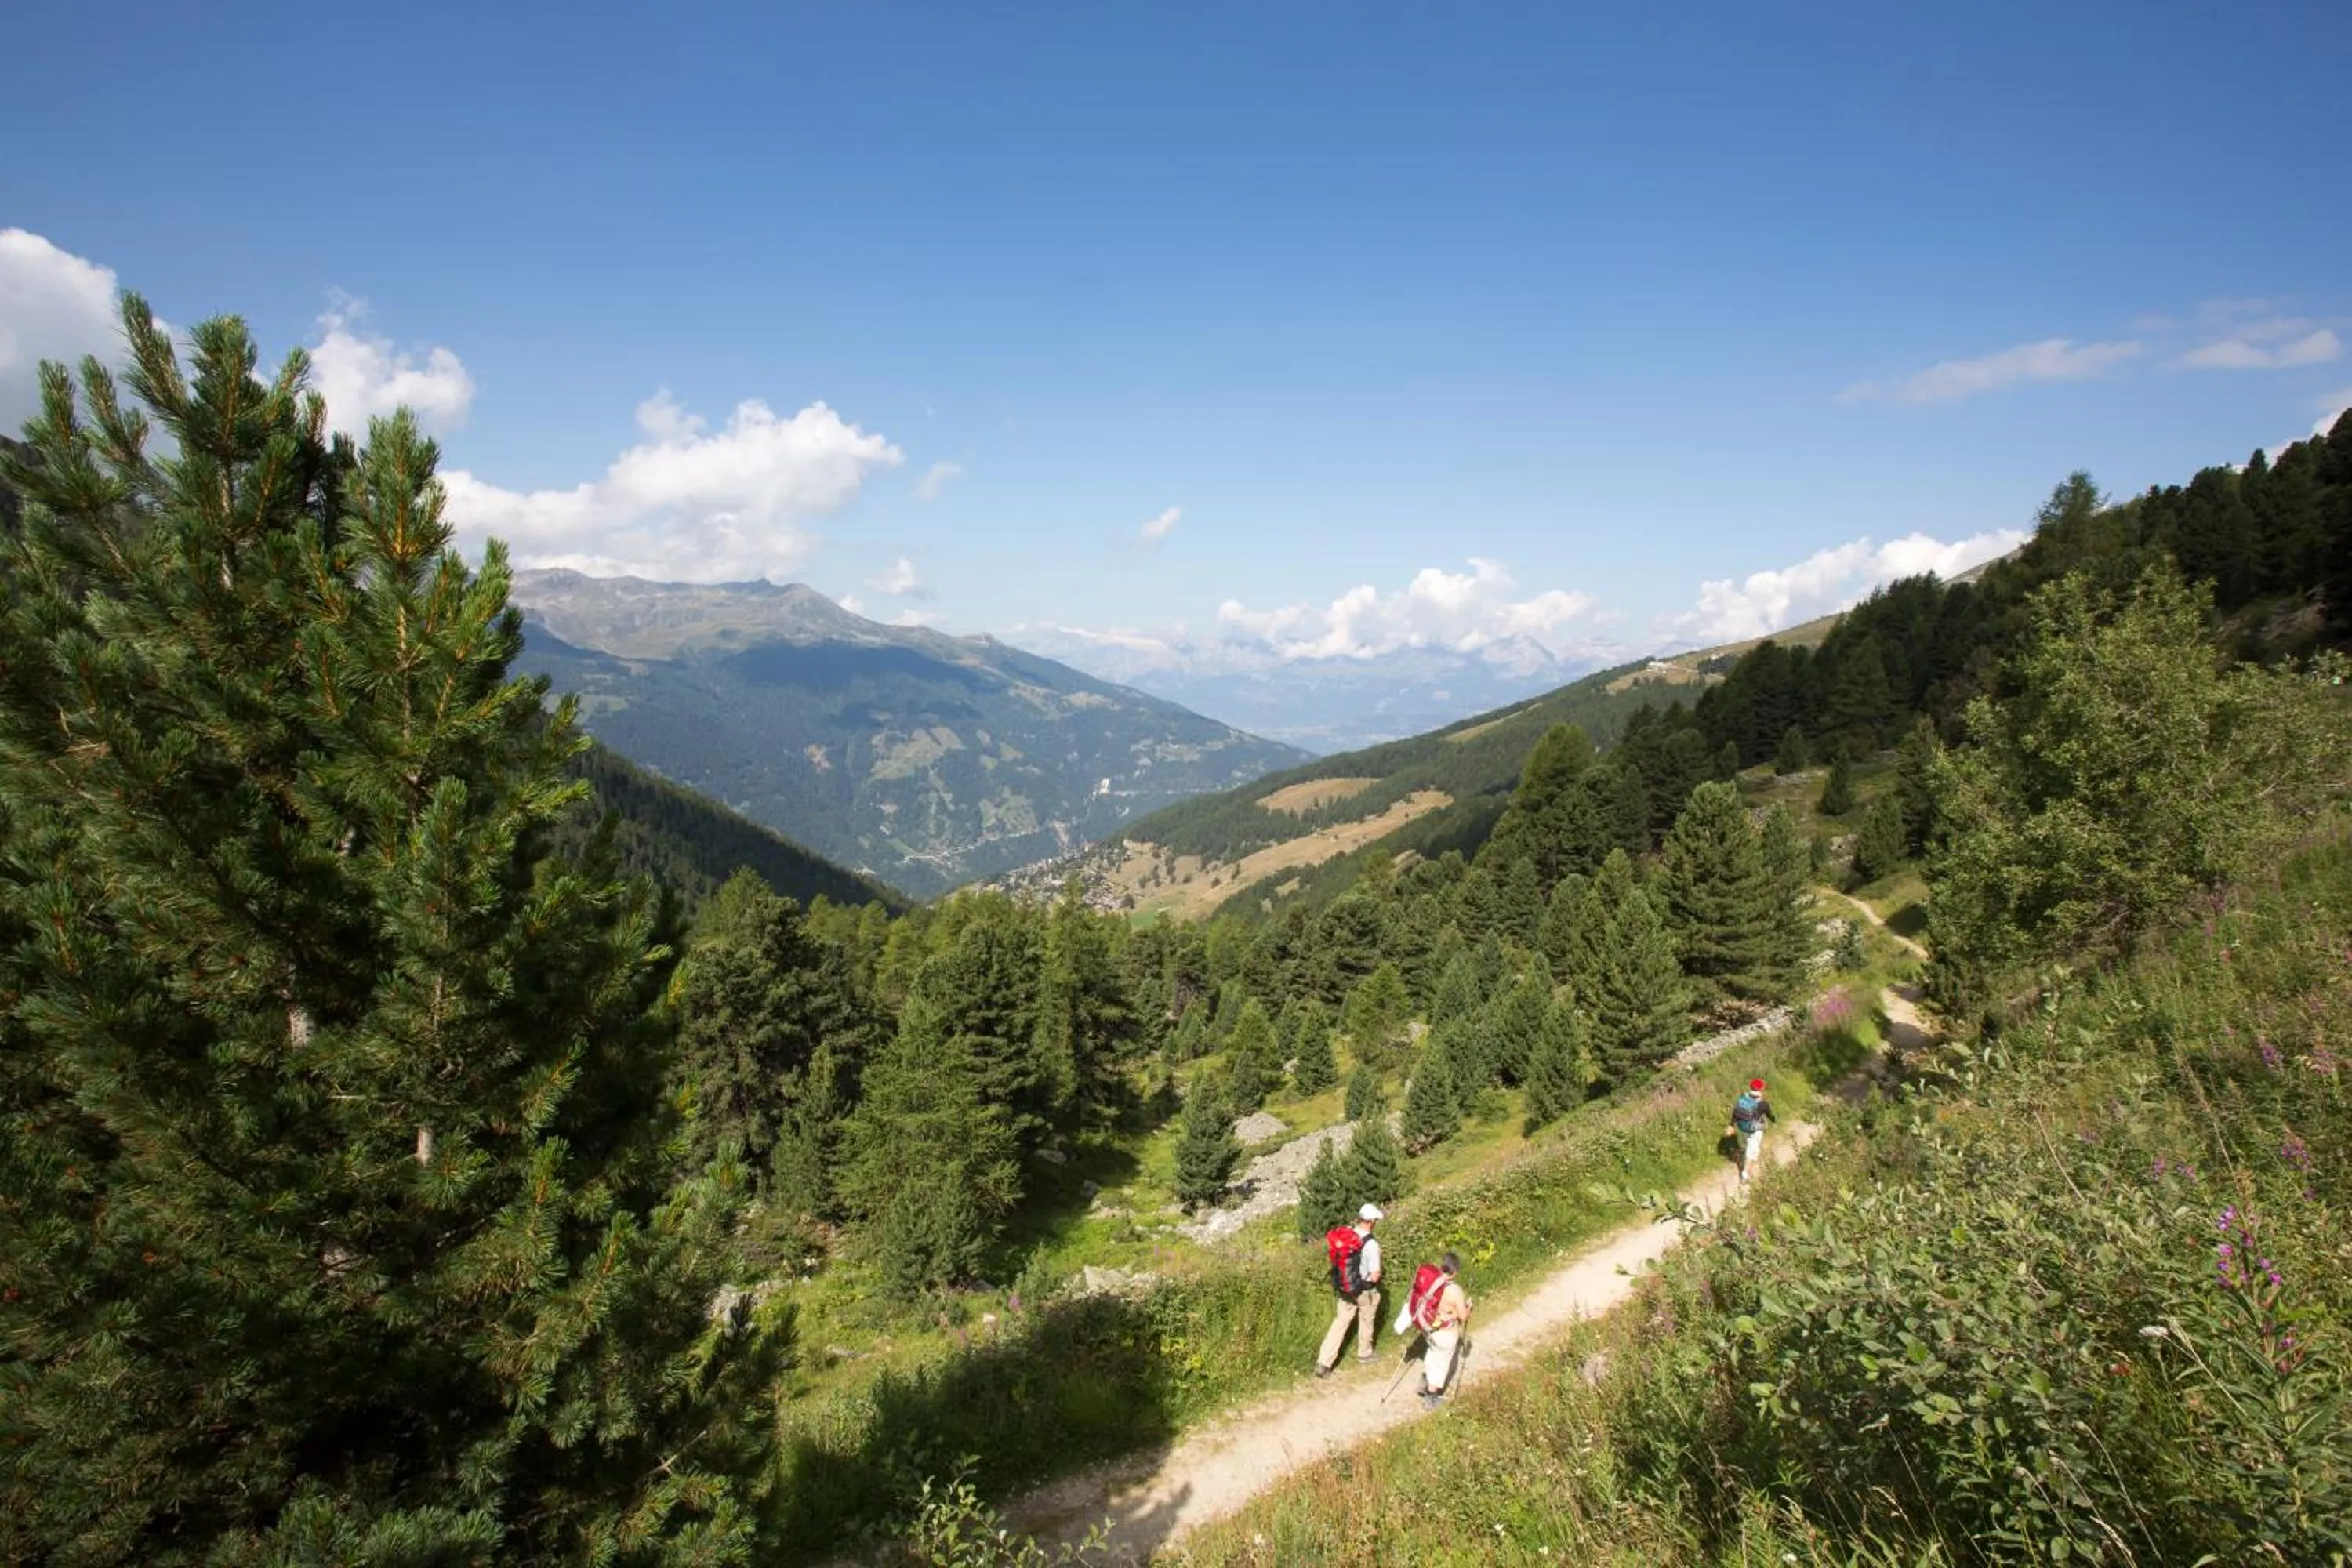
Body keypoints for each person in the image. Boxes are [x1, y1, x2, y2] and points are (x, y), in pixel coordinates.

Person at [1314, 1202, 1384, 1377]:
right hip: (1364, 1290)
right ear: (1372, 1221)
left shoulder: (1348, 1235)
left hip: (1345, 1287)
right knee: (1367, 1320)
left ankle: (1324, 1363)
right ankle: (1365, 1353)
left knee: (1340, 1322)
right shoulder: (1372, 1245)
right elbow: (1375, 1276)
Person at [1417, 1251, 1471, 1410]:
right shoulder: (1455, 1291)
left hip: (1429, 1327)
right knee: (1441, 1363)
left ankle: (1425, 1380)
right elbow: (1463, 1316)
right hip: (1445, 1332)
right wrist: (1468, 1308)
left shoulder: (1432, 1281)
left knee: (1433, 1352)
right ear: (1455, 1272)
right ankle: (1431, 1398)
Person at [1729, 1076, 1776, 1184]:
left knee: (1748, 1144)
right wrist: (1774, 1120)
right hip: (1755, 1130)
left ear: (1750, 1087)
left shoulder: (1743, 1099)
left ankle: (1748, 1156)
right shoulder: (1763, 1103)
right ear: (1762, 1089)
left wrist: (1731, 1125)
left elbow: (1735, 1113)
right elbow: (1769, 1115)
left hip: (1742, 1127)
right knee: (1751, 1151)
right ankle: (1744, 1176)